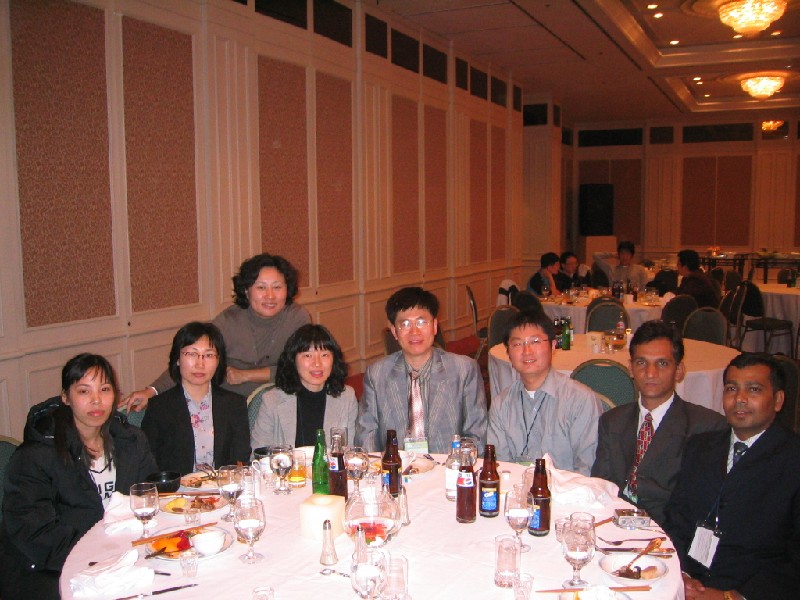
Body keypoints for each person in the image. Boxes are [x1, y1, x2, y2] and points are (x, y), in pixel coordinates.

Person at [0, 354, 157, 600]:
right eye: (84, 391)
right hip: (52, 571)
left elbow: (149, 496)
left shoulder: (131, 442)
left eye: (104, 389)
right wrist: (101, 554)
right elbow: (34, 532)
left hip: (122, 560)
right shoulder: (37, 455)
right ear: (66, 397)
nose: (96, 400)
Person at [664, 353, 800, 600]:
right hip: (686, 583)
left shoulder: (793, 460)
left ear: (778, 400)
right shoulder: (700, 447)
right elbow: (677, 519)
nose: (739, 399)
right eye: (731, 389)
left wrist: (733, 596)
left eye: (754, 389)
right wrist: (681, 574)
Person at [122, 253, 311, 410]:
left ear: (287, 289)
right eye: (261, 287)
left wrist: (246, 375)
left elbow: (303, 368)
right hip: (231, 406)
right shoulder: (229, 321)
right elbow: (191, 360)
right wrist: (152, 390)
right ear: (246, 291)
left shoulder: (297, 318)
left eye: (277, 287)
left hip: (283, 403)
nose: (270, 296)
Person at [591, 320, 727, 525]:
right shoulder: (612, 421)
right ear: (630, 368)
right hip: (614, 525)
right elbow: (601, 486)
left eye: (662, 363)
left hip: (669, 531)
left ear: (679, 370)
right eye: (641, 363)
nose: (650, 373)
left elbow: (698, 504)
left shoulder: (705, 427)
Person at [355, 287, 488, 454]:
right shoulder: (377, 374)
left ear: (434, 326)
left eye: (421, 322)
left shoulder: (464, 370)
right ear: (394, 332)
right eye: (405, 324)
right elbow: (366, 438)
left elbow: (476, 437)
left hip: (448, 467)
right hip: (395, 468)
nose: (414, 331)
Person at [487, 311, 602, 473]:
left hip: (568, 488)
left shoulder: (581, 400)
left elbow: (587, 468)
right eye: (517, 344)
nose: (527, 351)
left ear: (553, 346)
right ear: (508, 353)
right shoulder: (501, 404)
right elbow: (500, 466)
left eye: (535, 341)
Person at [141, 322, 250, 475]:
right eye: (192, 354)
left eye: (209, 355)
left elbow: (240, 459)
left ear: (218, 361)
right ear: (177, 359)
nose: (200, 364)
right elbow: (149, 464)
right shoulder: (159, 408)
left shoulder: (234, 404)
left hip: (224, 486)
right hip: (176, 489)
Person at [251, 324, 357, 448]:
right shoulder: (272, 401)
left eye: (324, 355)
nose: (317, 363)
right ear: (293, 360)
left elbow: (348, 451)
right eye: (308, 355)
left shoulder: (347, 397)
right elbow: (259, 453)